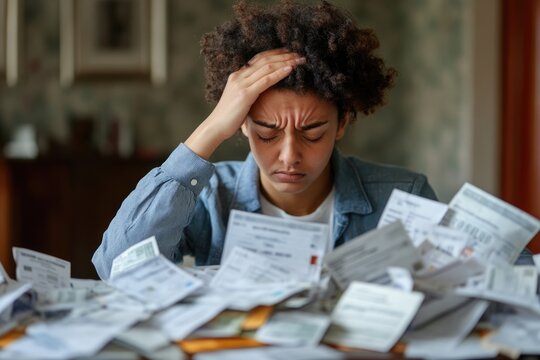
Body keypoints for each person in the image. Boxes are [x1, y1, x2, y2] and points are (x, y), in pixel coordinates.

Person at [92, 0, 437, 280]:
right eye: (267, 133)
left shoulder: (404, 196)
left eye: (313, 133)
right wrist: (210, 129)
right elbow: (117, 270)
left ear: (343, 122)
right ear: (242, 124)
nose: (289, 156)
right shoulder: (212, 199)